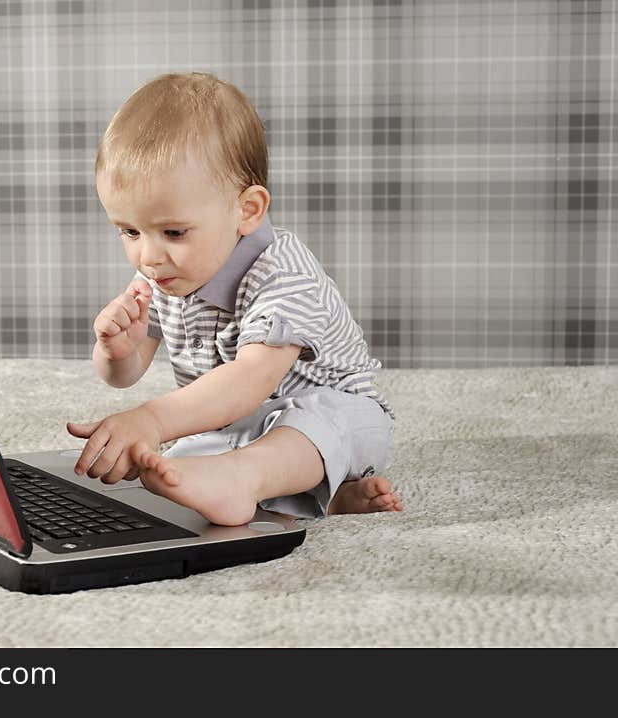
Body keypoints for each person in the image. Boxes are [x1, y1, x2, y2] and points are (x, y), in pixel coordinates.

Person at [66, 72, 402, 526]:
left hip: (342, 419)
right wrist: (116, 350)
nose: (147, 255)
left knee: (315, 422)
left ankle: (249, 479)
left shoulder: (285, 274)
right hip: (237, 425)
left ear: (247, 210)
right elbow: (123, 376)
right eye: (129, 231)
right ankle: (322, 495)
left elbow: (248, 382)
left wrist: (151, 419)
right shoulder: (166, 272)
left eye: (173, 232)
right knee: (177, 461)